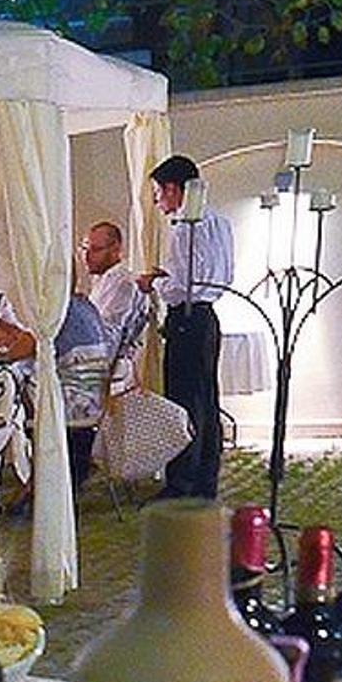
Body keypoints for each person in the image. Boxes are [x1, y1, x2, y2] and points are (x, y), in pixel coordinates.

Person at [138, 155, 235, 498]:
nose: (156, 202)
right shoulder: (220, 222)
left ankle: (182, 483)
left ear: (172, 189)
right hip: (208, 318)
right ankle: (206, 477)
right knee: (207, 399)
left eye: (157, 193)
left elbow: (182, 287)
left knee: (184, 403)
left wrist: (154, 283)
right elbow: (218, 275)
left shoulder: (184, 227)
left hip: (187, 320)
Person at [52, 220, 153, 484]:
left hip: (100, 373)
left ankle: (60, 467)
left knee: (34, 388)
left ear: (116, 249)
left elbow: (102, 340)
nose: (87, 256)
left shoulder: (122, 283)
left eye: (95, 250)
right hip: (95, 369)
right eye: (85, 248)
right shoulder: (106, 281)